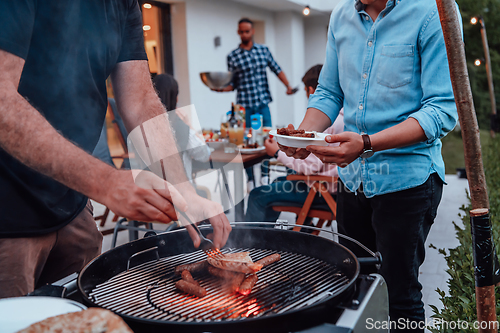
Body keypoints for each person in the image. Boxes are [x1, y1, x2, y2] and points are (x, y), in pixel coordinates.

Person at [0, 1, 231, 299]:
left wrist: (183, 188)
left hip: (71, 204)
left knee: (82, 316)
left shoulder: (122, 4)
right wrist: (105, 182)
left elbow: (141, 100)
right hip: (8, 215)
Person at [280, 0, 460, 331]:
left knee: (399, 294)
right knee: (355, 286)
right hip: (352, 182)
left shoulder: (431, 11)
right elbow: (329, 92)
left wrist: (366, 144)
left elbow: (441, 110)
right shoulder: (341, 15)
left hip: (408, 182)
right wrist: (306, 135)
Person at [245, 65, 344, 225]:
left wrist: (278, 153)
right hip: (334, 189)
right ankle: (303, 228)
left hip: (322, 191)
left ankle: (253, 243)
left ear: (312, 91)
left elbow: (311, 166)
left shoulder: (326, 122)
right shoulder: (343, 117)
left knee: (257, 195)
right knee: (278, 182)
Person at [214, 17, 294, 188]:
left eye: (247, 31)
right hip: (243, 107)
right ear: (238, 33)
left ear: (252, 31)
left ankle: (265, 176)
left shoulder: (263, 51)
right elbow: (232, 84)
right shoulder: (233, 56)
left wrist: (288, 86)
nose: (244, 34)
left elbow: (276, 69)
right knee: (244, 143)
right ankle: (250, 179)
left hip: (263, 104)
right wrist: (219, 89)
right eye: (241, 31)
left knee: (267, 139)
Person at [153, 74, 211, 186]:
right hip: (182, 195)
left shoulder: (144, 127)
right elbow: (205, 155)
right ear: (176, 98)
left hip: (155, 194)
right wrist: (189, 124)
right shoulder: (181, 127)